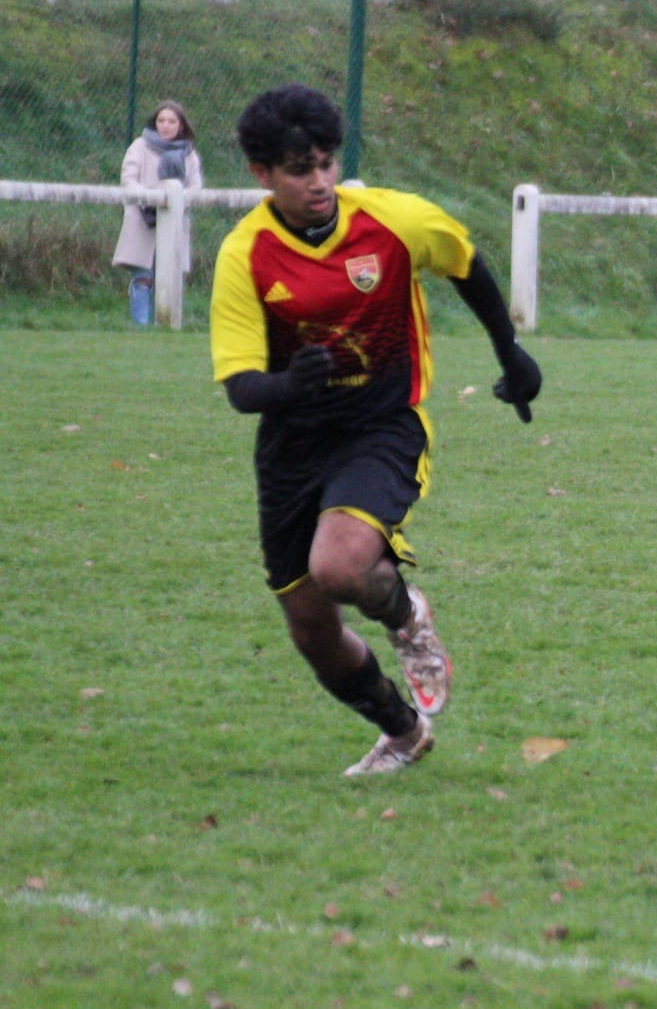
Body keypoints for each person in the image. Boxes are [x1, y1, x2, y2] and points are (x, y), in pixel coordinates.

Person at [210, 84, 543, 777]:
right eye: (300, 170)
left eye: (326, 162)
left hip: (381, 426)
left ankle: (406, 617)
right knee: (311, 630)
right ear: (262, 175)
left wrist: (510, 353)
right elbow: (243, 388)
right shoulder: (245, 255)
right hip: (291, 450)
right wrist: (288, 384)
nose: (319, 181)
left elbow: (466, 264)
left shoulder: (391, 222)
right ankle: (400, 731)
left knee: (340, 567)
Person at [115, 101, 202, 326]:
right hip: (142, 221)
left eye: (172, 121)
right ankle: (141, 327)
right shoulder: (139, 147)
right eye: (161, 120)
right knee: (142, 277)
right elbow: (128, 180)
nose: (166, 125)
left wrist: (177, 200)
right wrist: (150, 198)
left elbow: (195, 187)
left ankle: (165, 324)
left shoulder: (188, 153)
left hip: (174, 222)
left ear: (181, 125)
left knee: (168, 278)